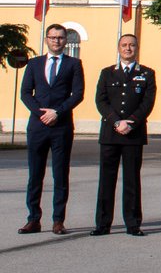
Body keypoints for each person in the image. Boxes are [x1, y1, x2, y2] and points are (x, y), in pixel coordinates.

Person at [19, 23, 85, 235]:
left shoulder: (74, 64)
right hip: (38, 127)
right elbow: (26, 93)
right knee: (35, 174)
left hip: (61, 126)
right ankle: (33, 219)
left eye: (60, 37)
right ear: (47, 39)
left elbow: (77, 94)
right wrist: (42, 114)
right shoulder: (35, 64)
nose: (56, 41)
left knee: (60, 174)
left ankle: (58, 220)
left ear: (66, 40)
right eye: (53, 37)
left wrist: (57, 112)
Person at [92, 33, 157, 236]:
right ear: (118, 48)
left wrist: (132, 122)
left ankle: (133, 223)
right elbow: (100, 100)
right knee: (106, 180)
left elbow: (147, 102)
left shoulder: (147, 73)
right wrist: (116, 121)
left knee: (132, 180)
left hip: (133, 134)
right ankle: (103, 224)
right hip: (111, 133)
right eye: (124, 45)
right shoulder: (107, 73)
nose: (128, 48)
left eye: (131, 45)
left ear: (137, 48)